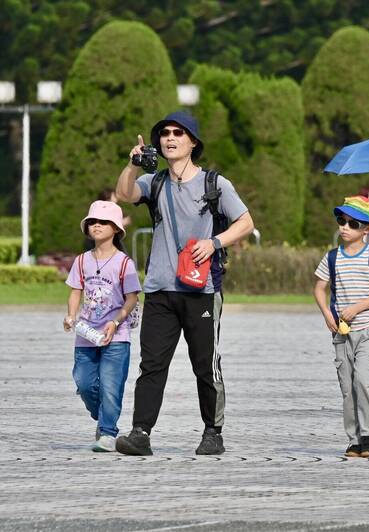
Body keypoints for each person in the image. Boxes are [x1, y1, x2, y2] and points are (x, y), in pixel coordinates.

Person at [113, 111, 254, 456]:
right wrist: (133, 165)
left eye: (178, 133)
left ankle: (212, 432)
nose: (169, 138)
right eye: (164, 133)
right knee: (152, 365)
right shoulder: (155, 182)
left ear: (193, 142)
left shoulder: (215, 184)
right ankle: (140, 433)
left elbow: (246, 222)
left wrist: (215, 242)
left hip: (201, 290)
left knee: (205, 366)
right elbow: (124, 193)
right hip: (160, 288)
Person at [313, 196, 369, 457]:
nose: (345, 227)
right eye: (341, 220)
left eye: (352, 223)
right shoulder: (332, 257)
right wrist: (327, 313)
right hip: (341, 333)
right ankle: (355, 438)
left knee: (364, 381)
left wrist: (357, 308)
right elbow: (319, 288)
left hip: (368, 330)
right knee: (347, 387)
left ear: (367, 229)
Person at [64, 201, 141, 452]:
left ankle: (108, 433)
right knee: (84, 383)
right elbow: (76, 291)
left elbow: (132, 298)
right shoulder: (81, 261)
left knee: (111, 385)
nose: (96, 225)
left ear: (116, 229)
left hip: (116, 335)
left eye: (103, 222)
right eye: (92, 222)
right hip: (86, 334)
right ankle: (103, 415)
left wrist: (116, 321)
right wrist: (70, 315)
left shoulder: (124, 263)